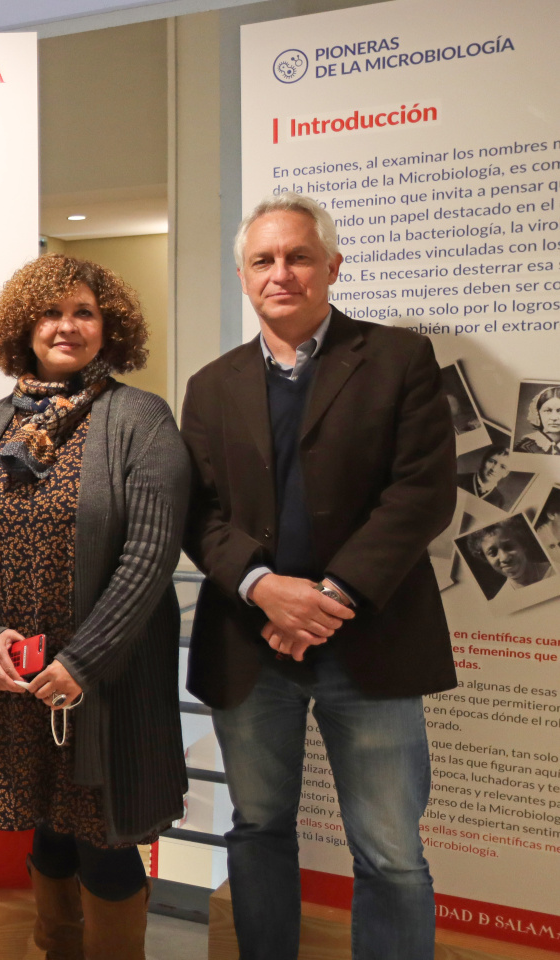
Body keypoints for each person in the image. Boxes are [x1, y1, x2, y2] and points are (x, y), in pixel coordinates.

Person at [182, 193, 455, 960]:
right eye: (264, 260)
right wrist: (264, 586)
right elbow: (196, 512)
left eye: (299, 256)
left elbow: (422, 493)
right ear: (243, 276)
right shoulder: (210, 386)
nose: (282, 273)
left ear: (331, 266)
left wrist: (329, 598)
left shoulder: (399, 358)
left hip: (370, 644)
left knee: (392, 853)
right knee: (258, 828)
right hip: (250, 645)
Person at [0, 254, 188, 960]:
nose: (66, 326)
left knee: (102, 837)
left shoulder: (140, 419)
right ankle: (56, 947)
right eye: (50, 312)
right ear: (25, 327)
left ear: (112, 327)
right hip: (16, 678)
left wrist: (84, 660)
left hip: (103, 679)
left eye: (84, 312)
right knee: (46, 828)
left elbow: (150, 553)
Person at [470, 522, 551, 589]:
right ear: (485, 558)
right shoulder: (502, 601)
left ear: (523, 544)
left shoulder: (555, 569)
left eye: (509, 547)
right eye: (493, 553)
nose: (504, 557)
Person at [469, 446, 526, 510]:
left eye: (502, 467)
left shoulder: (499, 500)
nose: (494, 469)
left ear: (506, 474)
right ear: (483, 461)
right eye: (491, 461)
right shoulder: (460, 479)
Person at [516, 384, 560, 453]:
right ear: (538, 413)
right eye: (548, 411)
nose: (554, 417)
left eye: (559, 411)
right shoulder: (525, 448)